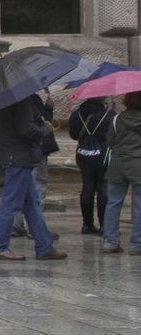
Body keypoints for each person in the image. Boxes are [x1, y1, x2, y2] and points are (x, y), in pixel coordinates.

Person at [0, 95, 67, 261]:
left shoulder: (1, 99)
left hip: (9, 155)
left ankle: (45, 246)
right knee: (10, 203)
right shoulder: (21, 100)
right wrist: (46, 129)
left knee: (31, 204)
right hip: (20, 157)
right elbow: (28, 130)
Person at [14, 92, 59, 238]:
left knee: (22, 187)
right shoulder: (30, 99)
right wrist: (49, 109)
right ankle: (35, 227)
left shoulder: (11, 99)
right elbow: (38, 124)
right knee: (37, 186)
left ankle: (17, 224)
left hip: (19, 151)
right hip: (35, 150)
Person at [102, 91, 141, 256]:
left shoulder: (116, 118)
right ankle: (137, 244)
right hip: (138, 163)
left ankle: (110, 242)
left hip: (117, 164)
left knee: (113, 203)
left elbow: (109, 142)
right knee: (139, 206)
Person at [70, 96, 115, 234]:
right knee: (103, 188)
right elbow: (114, 135)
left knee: (87, 186)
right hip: (102, 154)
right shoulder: (108, 114)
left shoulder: (77, 113)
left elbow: (73, 135)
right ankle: (104, 225)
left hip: (83, 154)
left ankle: (87, 224)